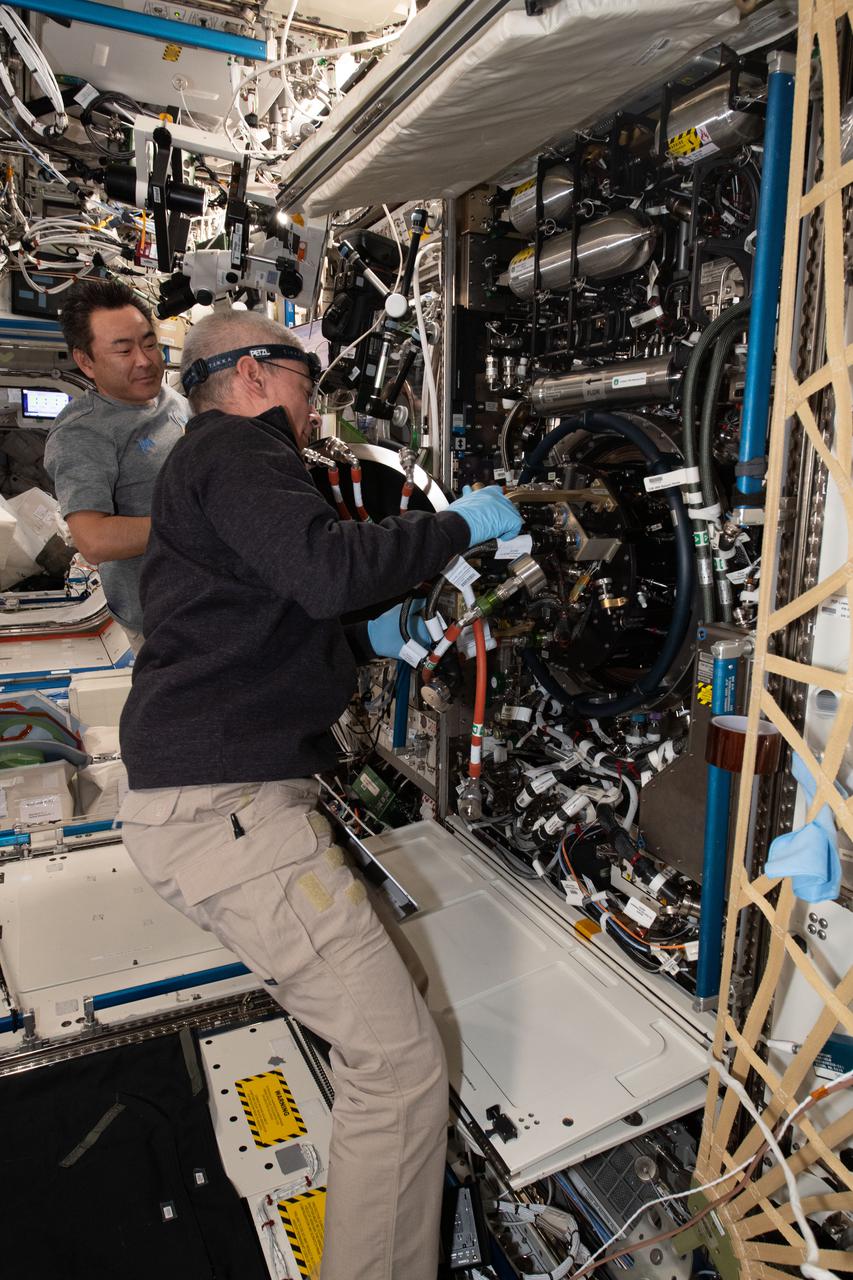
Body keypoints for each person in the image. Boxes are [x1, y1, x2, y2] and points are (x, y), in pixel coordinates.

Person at [117, 310, 522, 1280]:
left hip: (217, 803)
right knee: (399, 1067)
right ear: (255, 371)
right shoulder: (241, 447)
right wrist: (461, 521)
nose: (313, 404)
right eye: (305, 377)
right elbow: (324, 566)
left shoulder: (202, 465)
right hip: (232, 812)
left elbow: (248, 604)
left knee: (398, 1011)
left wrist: (357, 644)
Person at [44, 278, 187, 653]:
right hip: (164, 624)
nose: (144, 361)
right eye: (123, 351)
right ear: (85, 361)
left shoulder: (170, 399)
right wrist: (198, 523)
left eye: (150, 344)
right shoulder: (83, 433)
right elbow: (95, 540)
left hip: (211, 596)